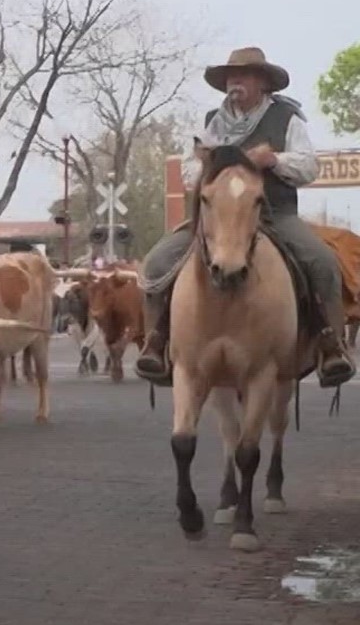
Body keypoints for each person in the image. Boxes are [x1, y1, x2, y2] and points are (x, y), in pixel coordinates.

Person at [132, 47, 353, 389]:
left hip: (274, 214)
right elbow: (191, 173)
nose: (234, 81)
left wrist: (275, 161)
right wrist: (207, 167)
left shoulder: (287, 118)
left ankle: (331, 345)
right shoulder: (212, 122)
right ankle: (156, 342)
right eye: (229, 77)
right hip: (217, 218)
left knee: (322, 260)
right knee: (157, 262)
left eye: (244, 75)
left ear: (263, 82)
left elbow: (309, 166)